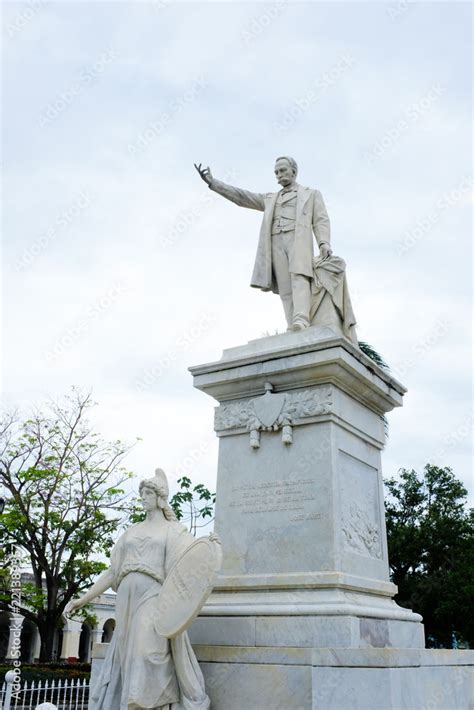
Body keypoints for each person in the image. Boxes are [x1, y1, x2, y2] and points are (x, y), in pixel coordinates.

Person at [66, 469, 214, 710]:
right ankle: (131, 703)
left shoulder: (173, 531)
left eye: (147, 493)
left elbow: (189, 564)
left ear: (159, 497)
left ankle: (151, 704)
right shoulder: (131, 532)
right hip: (126, 598)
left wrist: (208, 550)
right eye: (142, 493)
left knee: (147, 653)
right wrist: (83, 599)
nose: (143, 497)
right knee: (128, 657)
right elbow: (112, 572)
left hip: (154, 596)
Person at [194, 156, 332, 331]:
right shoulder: (270, 198)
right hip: (275, 241)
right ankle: (292, 324)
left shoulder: (311, 194)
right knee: (285, 286)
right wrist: (214, 183)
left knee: (299, 277)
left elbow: (321, 220)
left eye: (283, 170)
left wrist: (323, 242)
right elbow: (242, 197)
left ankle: (301, 319)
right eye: (276, 172)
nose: (279, 175)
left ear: (294, 171)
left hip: (297, 240)